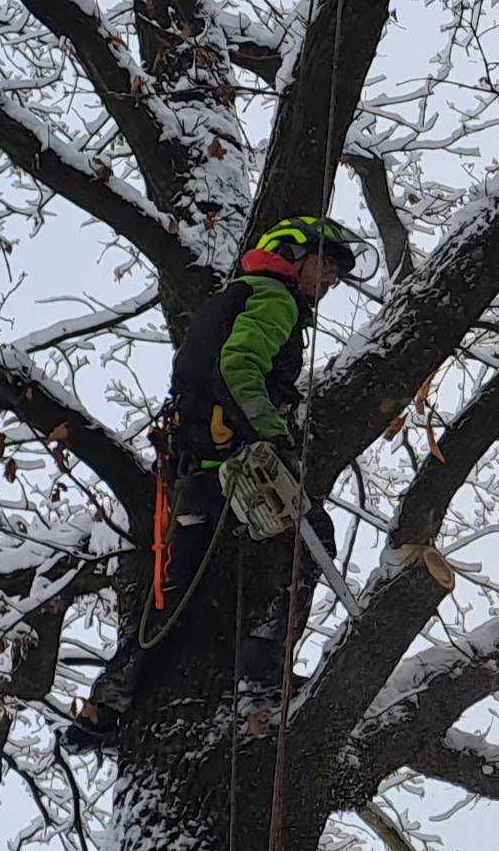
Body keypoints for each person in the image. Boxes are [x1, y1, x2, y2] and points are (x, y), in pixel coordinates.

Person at [64, 214, 367, 749]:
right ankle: (260, 684)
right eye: (326, 267)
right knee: (306, 538)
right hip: (231, 461)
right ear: (293, 256)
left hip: (194, 471)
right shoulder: (274, 299)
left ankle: (107, 704)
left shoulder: (232, 300)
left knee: (175, 597)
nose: (330, 283)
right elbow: (238, 365)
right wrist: (273, 436)